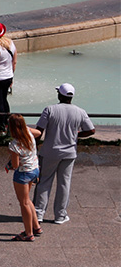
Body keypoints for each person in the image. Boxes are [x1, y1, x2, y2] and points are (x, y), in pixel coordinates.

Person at [32, 83, 95, 225]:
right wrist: (77, 135)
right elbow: (91, 130)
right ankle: (60, 215)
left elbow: (39, 131)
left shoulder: (50, 109)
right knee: (64, 184)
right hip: (69, 153)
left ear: (59, 95)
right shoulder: (80, 112)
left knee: (44, 182)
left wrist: (34, 147)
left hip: (49, 152)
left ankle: (38, 214)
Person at [6, 113, 42, 241]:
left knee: (24, 203)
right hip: (34, 170)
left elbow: (15, 165)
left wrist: (9, 164)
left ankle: (28, 233)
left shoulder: (14, 145)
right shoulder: (29, 133)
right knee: (27, 200)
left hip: (23, 174)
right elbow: (38, 132)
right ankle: (36, 226)